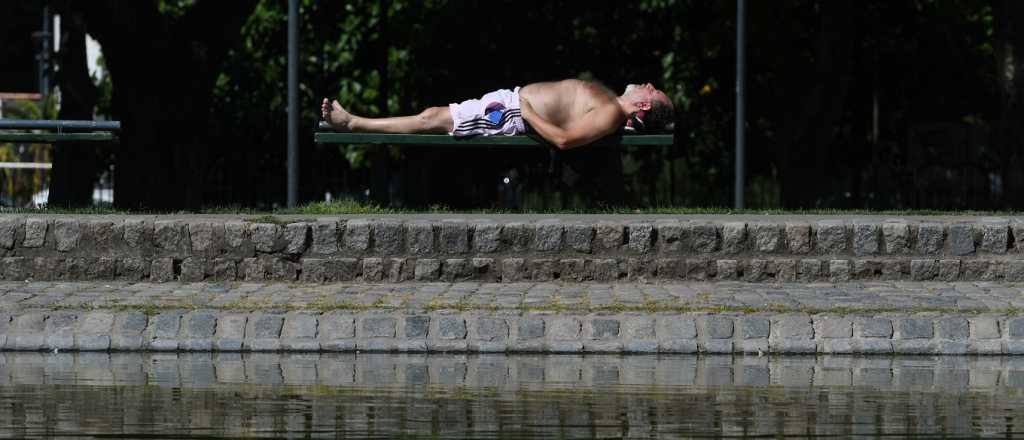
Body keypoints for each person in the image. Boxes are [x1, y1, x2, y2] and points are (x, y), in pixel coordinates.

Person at [320, 79, 674, 150]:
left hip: (511, 113)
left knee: (432, 118)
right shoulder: (612, 108)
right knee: (433, 115)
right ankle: (352, 120)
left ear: (643, 105)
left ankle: (352, 122)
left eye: (651, 89)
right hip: (513, 104)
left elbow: (564, 141)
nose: (646, 83)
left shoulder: (611, 113)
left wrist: (525, 109)